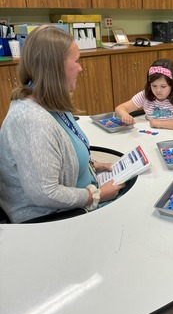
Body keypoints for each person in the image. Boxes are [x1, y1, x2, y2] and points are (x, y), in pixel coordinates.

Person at [0, 25, 123, 224]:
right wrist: (96, 195)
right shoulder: (32, 121)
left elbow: (60, 154)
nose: (81, 68)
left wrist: (89, 166)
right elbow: (45, 193)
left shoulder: (47, 99)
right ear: (55, 68)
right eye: (76, 61)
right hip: (51, 218)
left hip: (78, 194)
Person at [115, 59, 173, 130]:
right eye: (154, 85)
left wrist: (160, 123)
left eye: (163, 86)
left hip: (172, 136)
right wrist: (125, 115)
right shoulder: (145, 94)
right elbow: (120, 108)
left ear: (172, 85)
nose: (158, 90)